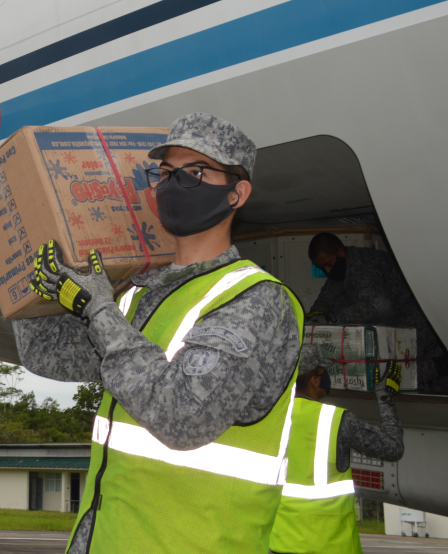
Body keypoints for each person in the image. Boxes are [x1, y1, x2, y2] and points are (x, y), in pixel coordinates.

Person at [15, 112, 303, 554]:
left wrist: (101, 311)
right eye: (166, 173)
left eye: (196, 172)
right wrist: (32, 291)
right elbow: (47, 356)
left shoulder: (257, 300)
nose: (173, 184)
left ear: (237, 193)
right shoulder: (140, 295)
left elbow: (183, 419)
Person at [269, 345, 404, 554]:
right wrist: (385, 398)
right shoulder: (336, 419)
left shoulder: (269, 418)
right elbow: (392, 448)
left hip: (280, 543)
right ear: (314, 380)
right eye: (323, 372)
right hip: (332, 546)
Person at [307, 233, 448, 394]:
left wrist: (333, 318)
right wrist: (314, 318)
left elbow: (377, 306)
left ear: (340, 252)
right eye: (322, 268)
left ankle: (444, 365)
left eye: (328, 264)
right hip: (393, 326)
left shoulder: (365, 264)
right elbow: (325, 300)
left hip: (413, 322)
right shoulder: (340, 270)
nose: (327, 271)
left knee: (395, 376)